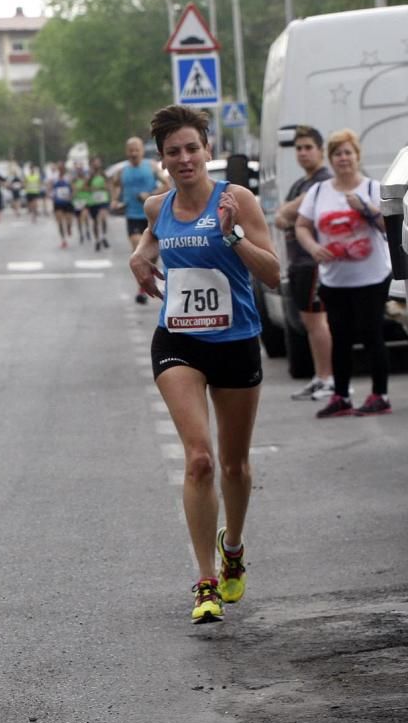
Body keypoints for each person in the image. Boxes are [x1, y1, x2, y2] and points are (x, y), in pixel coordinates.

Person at [128, 105, 279, 624]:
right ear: (163, 161)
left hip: (236, 339)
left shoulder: (237, 200)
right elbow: (151, 241)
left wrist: (234, 236)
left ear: (208, 151)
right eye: (174, 152)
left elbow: (275, 274)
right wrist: (140, 257)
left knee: (235, 464)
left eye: (193, 148)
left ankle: (232, 546)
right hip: (179, 341)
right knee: (200, 459)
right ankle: (205, 580)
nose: (185, 158)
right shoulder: (157, 206)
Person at [295, 128, 393, 417]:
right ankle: (341, 397)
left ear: (357, 157)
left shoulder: (372, 188)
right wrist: (313, 247)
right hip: (334, 280)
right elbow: (301, 225)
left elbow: (389, 228)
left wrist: (365, 208)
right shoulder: (319, 191)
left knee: (373, 335)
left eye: (348, 153)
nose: (343, 159)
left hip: (371, 278)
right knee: (340, 338)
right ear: (331, 158)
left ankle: (380, 395)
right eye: (337, 154)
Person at [276, 126, 335, 401]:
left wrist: (290, 212)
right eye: (299, 148)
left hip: (312, 260)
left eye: (308, 147)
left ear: (320, 150)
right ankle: (319, 376)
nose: (302, 153)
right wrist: (290, 211)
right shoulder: (302, 183)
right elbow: (281, 216)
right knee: (309, 322)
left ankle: (328, 378)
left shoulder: (323, 181)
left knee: (317, 320)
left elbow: (289, 213)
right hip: (298, 260)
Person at [112, 137, 169, 304]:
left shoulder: (151, 166)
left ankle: (144, 286)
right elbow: (115, 185)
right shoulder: (122, 171)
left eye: (136, 149)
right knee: (139, 250)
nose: (133, 153)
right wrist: (115, 200)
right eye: (130, 150)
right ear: (126, 152)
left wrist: (150, 195)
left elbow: (167, 184)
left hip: (152, 216)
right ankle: (142, 289)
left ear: (142, 150)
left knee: (152, 256)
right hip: (132, 216)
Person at [87, 156, 111, 250]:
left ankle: (103, 236)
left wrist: (103, 188)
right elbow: (84, 187)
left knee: (103, 217)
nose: (96, 164)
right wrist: (91, 189)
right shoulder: (90, 176)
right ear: (92, 164)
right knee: (95, 222)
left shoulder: (104, 174)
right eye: (95, 162)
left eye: (98, 162)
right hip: (93, 202)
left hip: (103, 200)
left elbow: (109, 186)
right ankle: (97, 240)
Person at [50, 163, 75, 249]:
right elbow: (49, 187)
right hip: (58, 202)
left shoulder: (68, 177)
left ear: (64, 169)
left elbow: (73, 188)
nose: (61, 170)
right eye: (59, 168)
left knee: (69, 220)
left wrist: (71, 197)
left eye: (62, 168)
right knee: (59, 222)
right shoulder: (54, 177)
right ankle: (63, 240)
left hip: (67, 202)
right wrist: (51, 195)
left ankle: (69, 227)